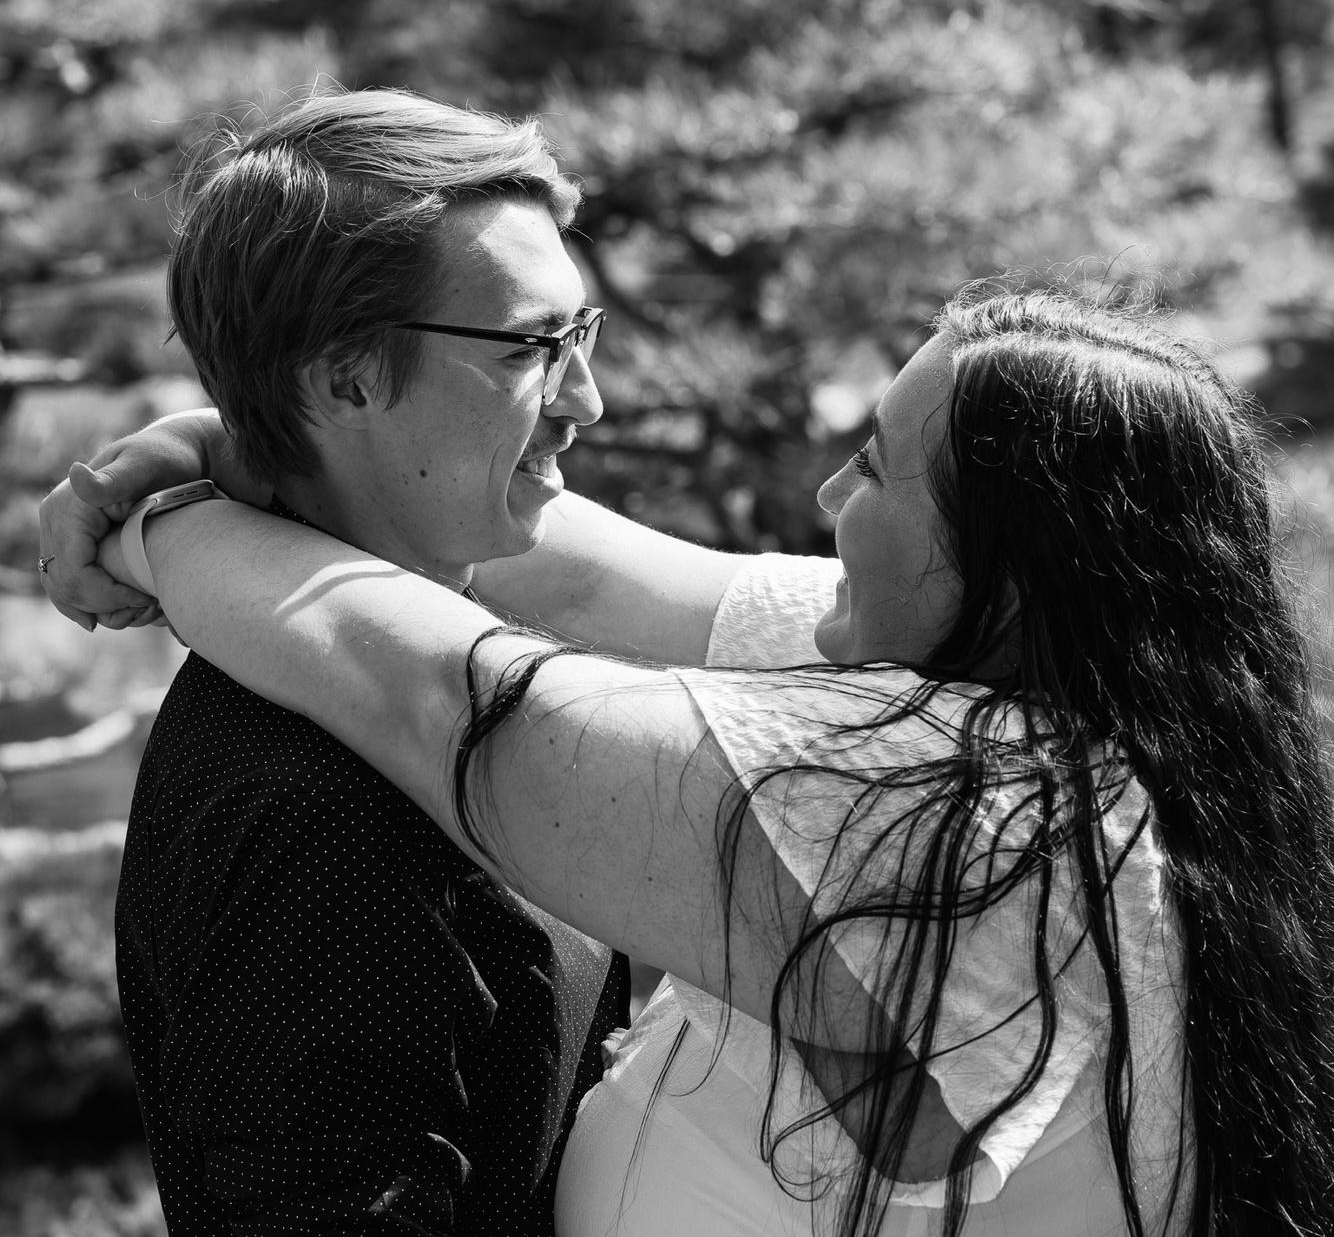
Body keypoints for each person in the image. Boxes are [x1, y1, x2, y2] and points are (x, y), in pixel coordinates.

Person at [42, 287, 1334, 1236]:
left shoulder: (984, 817)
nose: (829, 498)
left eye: (875, 467)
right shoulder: (1079, 708)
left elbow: (438, 698)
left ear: (1004, 567)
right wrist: (263, 444)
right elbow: (581, 573)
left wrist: (159, 530)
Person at [45, 85, 645, 1235]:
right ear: (344, 377)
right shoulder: (321, 815)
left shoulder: (434, 641)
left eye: (581, 333)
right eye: (532, 346)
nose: (587, 398)